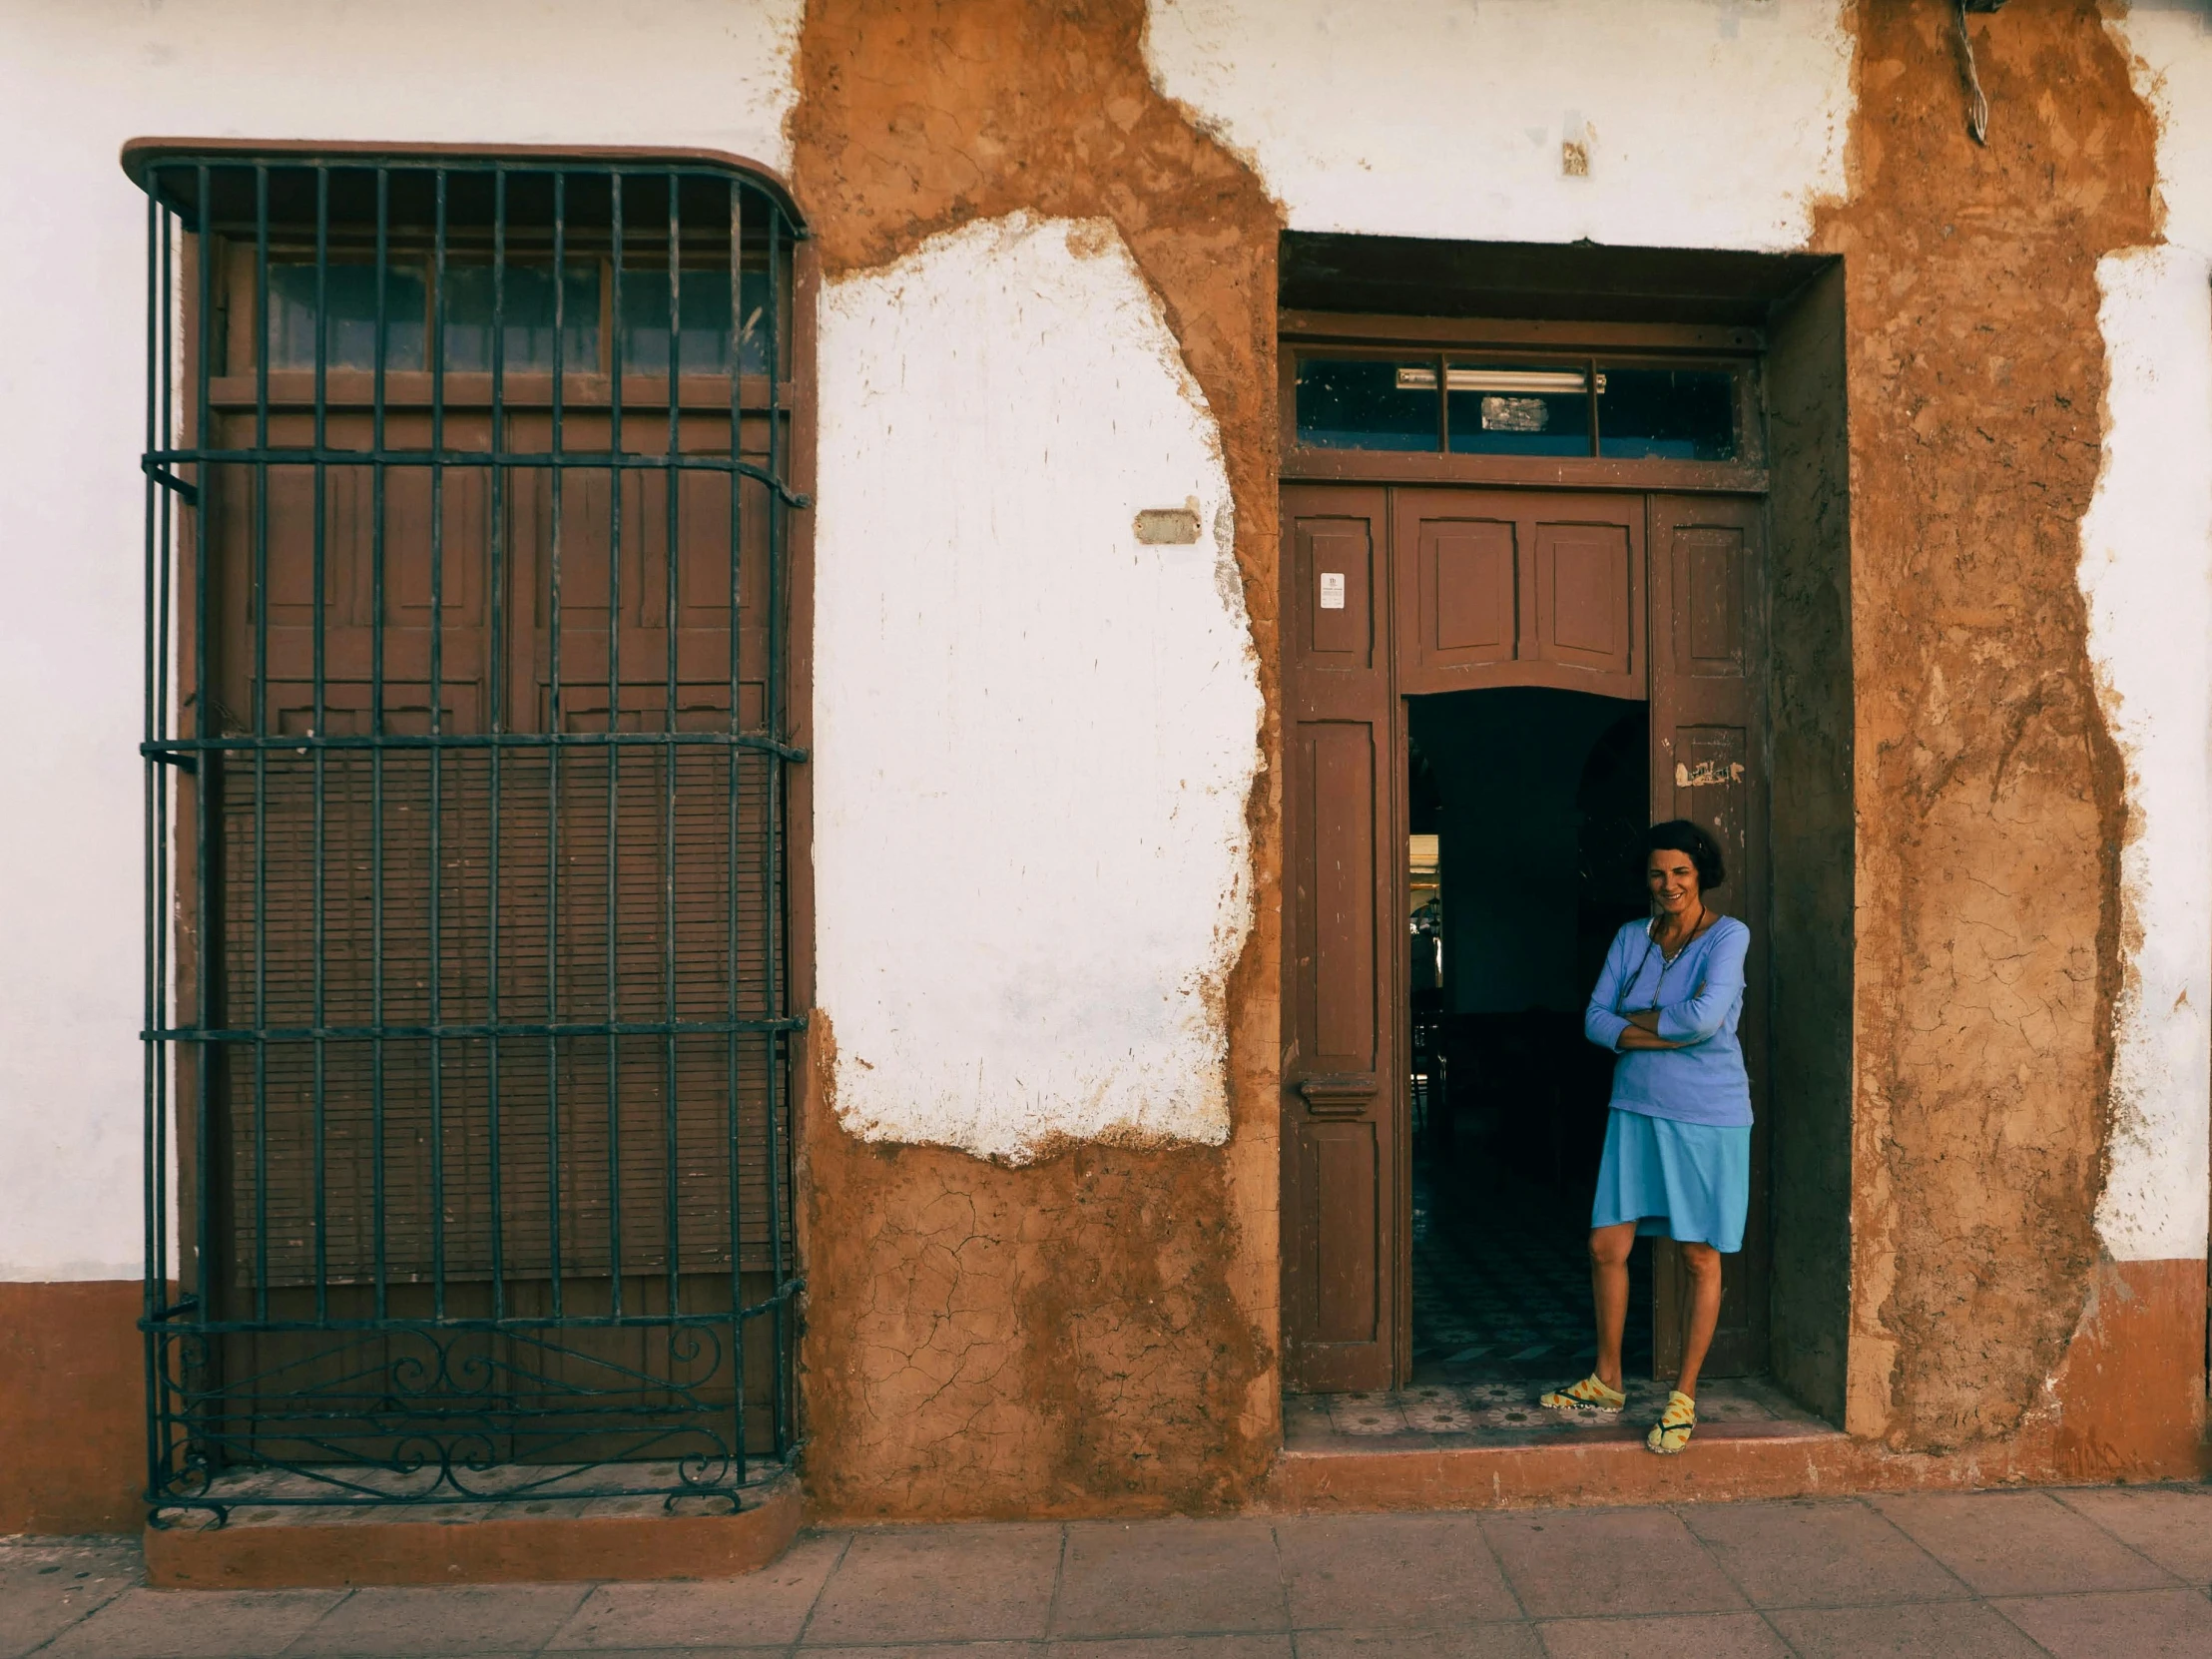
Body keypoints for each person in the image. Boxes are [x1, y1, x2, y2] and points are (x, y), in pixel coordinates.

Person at [1538, 820, 1752, 1455]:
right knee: (1607, 1246)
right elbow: (1594, 1020)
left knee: (1697, 1255)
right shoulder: (1632, 936)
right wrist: (1665, 1030)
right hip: (1633, 1107)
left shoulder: (1728, 936)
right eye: (1658, 874)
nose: (1669, 885)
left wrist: (1635, 1023)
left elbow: (1705, 1019)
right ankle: (1608, 1381)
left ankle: (1683, 1397)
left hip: (1706, 1113)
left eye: (1681, 872)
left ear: (1700, 874)